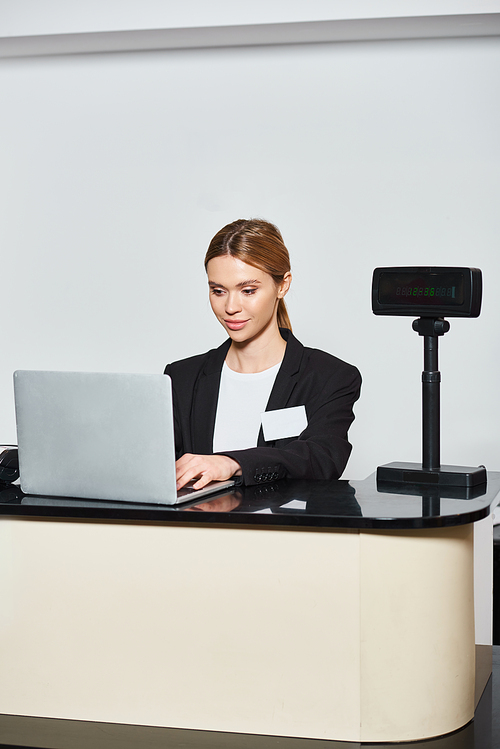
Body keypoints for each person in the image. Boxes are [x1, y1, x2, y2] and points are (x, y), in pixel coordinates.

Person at [164, 218, 361, 490]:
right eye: (218, 291)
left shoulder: (330, 377)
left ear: (282, 285)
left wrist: (232, 462)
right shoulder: (181, 378)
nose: (231, 307)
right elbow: (157, 469)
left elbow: (321, 458)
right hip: (198, 529)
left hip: (284, 532)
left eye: (248, 290)